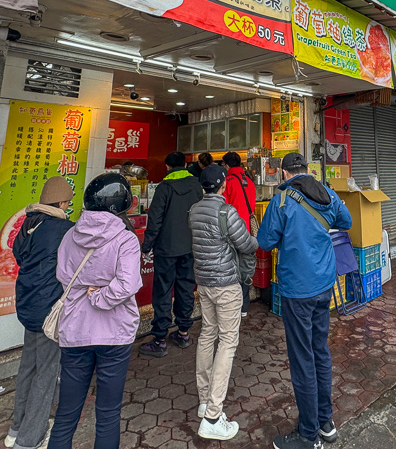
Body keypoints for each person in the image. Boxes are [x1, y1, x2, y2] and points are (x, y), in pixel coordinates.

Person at [257, 152, 353, 449]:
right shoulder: (327, 193)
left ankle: (308, 434)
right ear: (306, 170)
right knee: (320, 351)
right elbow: (345, 221)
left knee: (302, 360)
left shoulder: (281, 201)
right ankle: (325, 422)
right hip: (325, 284)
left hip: (297, 290)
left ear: (284, 173)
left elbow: (264, 242)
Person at [48, 173, 141, 449]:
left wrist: (89, 288)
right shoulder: (126, 240)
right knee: (109, 413)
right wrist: (100, 297)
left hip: (75, 331)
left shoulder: (70, 235)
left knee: (65, 415)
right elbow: (128, 284)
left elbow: (63, 275)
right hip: (115, 334)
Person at [189, 164, 259, 441]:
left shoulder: (194, 210)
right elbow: (246, 245)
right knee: (228, 342)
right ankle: (213, 416)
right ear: (221, 186)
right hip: (227, 285)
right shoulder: (226, 212)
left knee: (207, 335)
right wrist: (256, 237)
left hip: (203, 283)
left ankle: (204, 400)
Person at [6, 177, 75, 449]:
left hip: (28, 304)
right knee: (46, 373)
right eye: (67, 203)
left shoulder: (29, 224)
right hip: (50, 310)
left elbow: (21, 257)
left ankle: (15, 429)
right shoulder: (64, 228)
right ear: (60, 203)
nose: (68, 207)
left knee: (28, 367)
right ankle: (30, 439)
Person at [138, 152, 203, 357]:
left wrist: (146, 245)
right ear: (185, 164)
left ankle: (159, 339)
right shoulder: (196, 186)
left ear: (167, 167)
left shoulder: (164, 188)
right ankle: (183, 332)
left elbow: (155, 219)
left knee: (163, 291)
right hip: (190, 246)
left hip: (166, 249)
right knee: (186, 287)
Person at [222, 151, 257, 316]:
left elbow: (223, 208)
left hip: (232, 231)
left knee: (232, 268)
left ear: (227, 165)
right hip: (248, 232)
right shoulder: (249, 180)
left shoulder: (228, 181)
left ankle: (233, 306)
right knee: (245, 269)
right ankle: (244, 306)